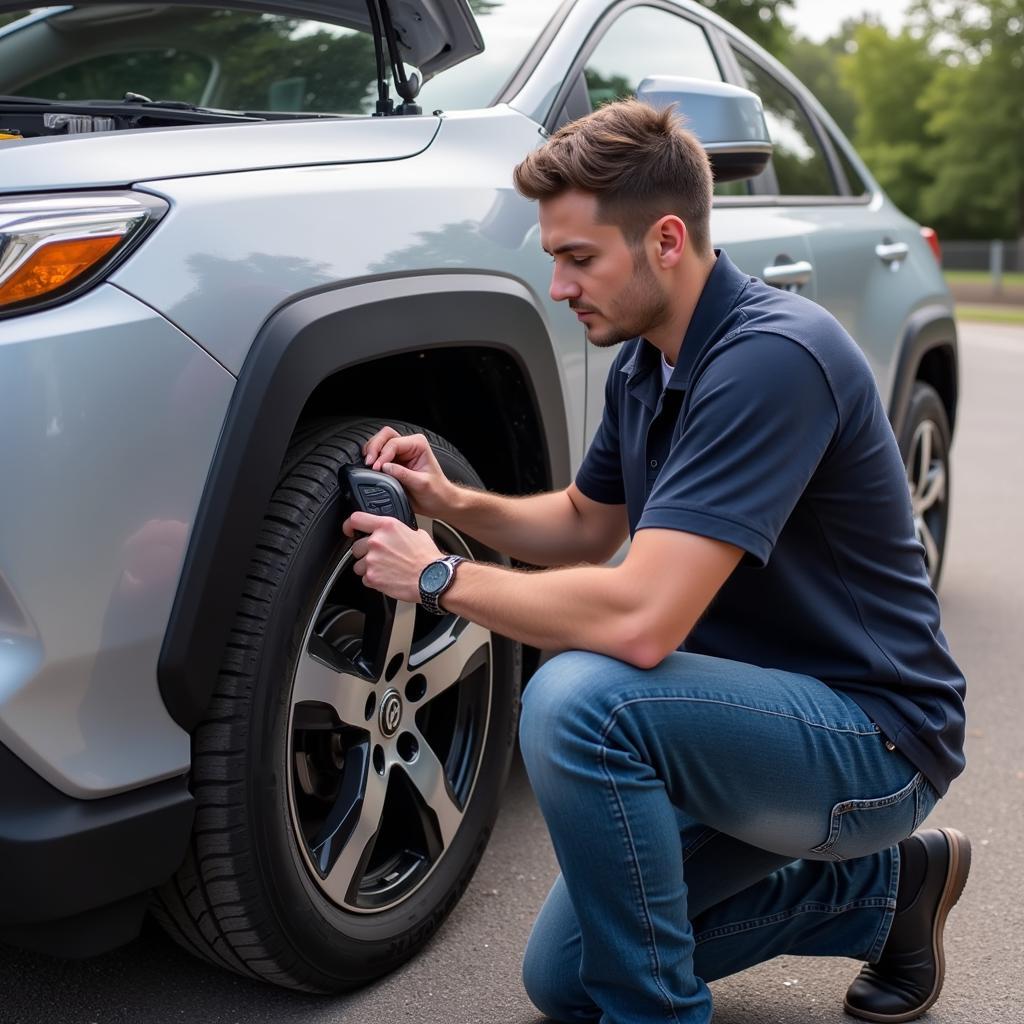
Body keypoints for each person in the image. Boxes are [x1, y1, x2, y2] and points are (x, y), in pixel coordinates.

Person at [341, 98, 969, 1024]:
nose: (559, 285)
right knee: (563, 980)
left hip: (872, 737)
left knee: (578, 699)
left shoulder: (771, 359)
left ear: (666, 240)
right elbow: (586, 522)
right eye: (555, 257)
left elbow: (641, 622)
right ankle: (891, 894)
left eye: (578, 257)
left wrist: (441, 577)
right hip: (742, 721)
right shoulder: (650, 364)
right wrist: (451, 502)